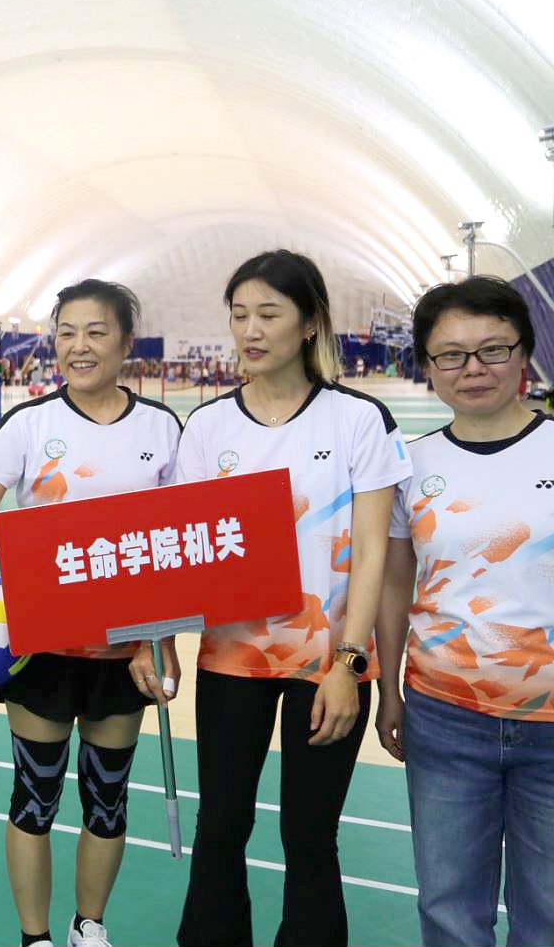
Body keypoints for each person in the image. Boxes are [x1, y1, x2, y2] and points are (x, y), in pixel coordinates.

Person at [0, 280, 182, 947]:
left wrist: (161, 643)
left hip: (125, 652)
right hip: (41, 648)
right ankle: (36, 938)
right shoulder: (28, 424)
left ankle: (89, 927)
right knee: (36, 797)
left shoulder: (162, 428)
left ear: (126, 343)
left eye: (96, 332)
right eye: (66, 333)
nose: (78, 346)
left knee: (108, 802)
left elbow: (176, 544)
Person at [173, 249, 410, 947]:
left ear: (309, 324)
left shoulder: (360, 419)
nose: (251, 330)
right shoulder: (207, 427)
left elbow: (372, 554)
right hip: (232, 659)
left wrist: (348, 663)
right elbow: (186, 550)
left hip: (329, 663)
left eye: (269, 314)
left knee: (309, 834)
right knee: (221, 825)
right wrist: (150, 639)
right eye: (239, 315)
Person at [376, 276, 554, 947]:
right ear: (428, 367)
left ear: (524, 354)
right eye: (451, 354)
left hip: (551, 723)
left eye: (492, 349)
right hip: (445, 718)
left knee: (548, 916)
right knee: (449, 911)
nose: (473, 368)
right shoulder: (408, 466)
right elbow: (395, 583)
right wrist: (389, 691)